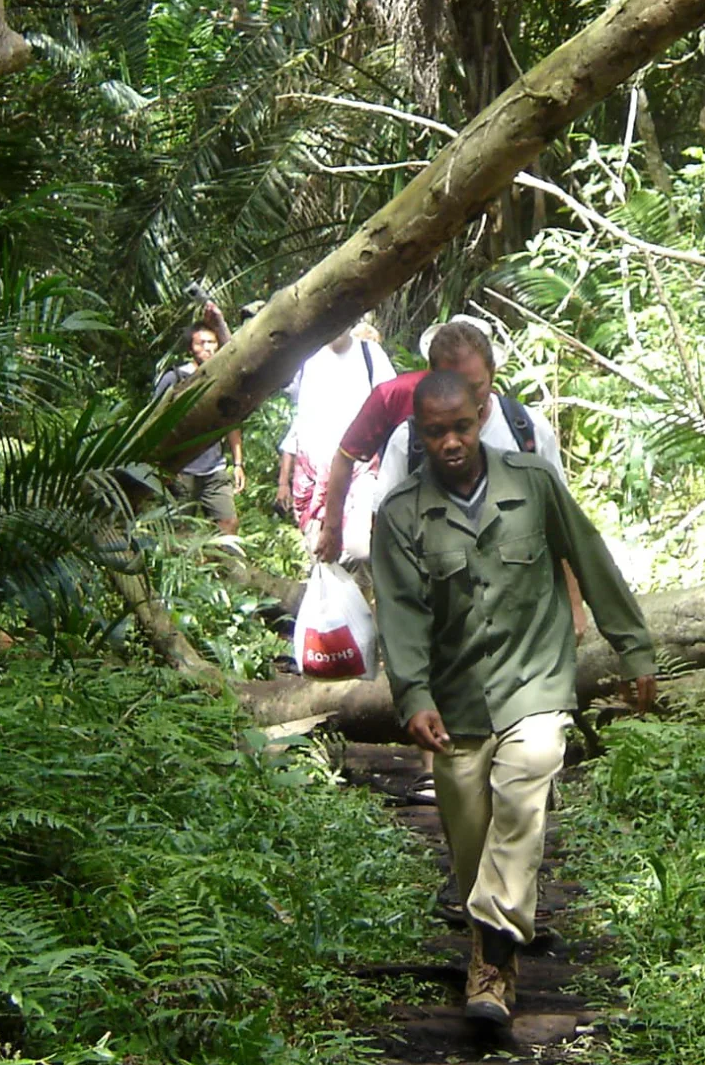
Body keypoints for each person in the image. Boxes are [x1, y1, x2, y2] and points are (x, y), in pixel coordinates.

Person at [367, 368, 658, 1024]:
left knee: (526, 780)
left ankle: (492, 963)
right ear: (419, 432)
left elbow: (590, 558)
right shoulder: (401, 515)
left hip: (536, 681)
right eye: (436, 432)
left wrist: (632, 646)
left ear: (482, 415)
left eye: (461, 427)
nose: (450, 443)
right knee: (472, 843)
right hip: (458, 699)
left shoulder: (532, 483)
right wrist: (413, 695)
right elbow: (402, 617)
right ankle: (488, 941)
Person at [313, 318, 555, 562]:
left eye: (475, 386)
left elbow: (560, 524)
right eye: (454, 386)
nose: (464, 399)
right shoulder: (397, 406)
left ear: (491, 373)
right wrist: (332, 529)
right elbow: (349, 462)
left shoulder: (526, 429)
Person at [278, 320, 393, 541]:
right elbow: (300, 420)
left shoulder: (371, 354)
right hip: (311, 474)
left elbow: (391, 403)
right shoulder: (305, 357)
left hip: (359, 468)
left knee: (359, 546)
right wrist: (283, 480)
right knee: (317, 548)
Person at [152, 322, 244, 534]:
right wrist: (160, 465)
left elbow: (232, 421)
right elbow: (155, 421)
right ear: (190, 349)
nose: (208, 348)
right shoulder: (174, 378)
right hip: (181, 469)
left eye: (212, 342)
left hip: (215, 468)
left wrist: (238, 463)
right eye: (201, 343)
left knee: (228, 524)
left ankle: (219, 567)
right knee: (179, 531)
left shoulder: (224, 379)